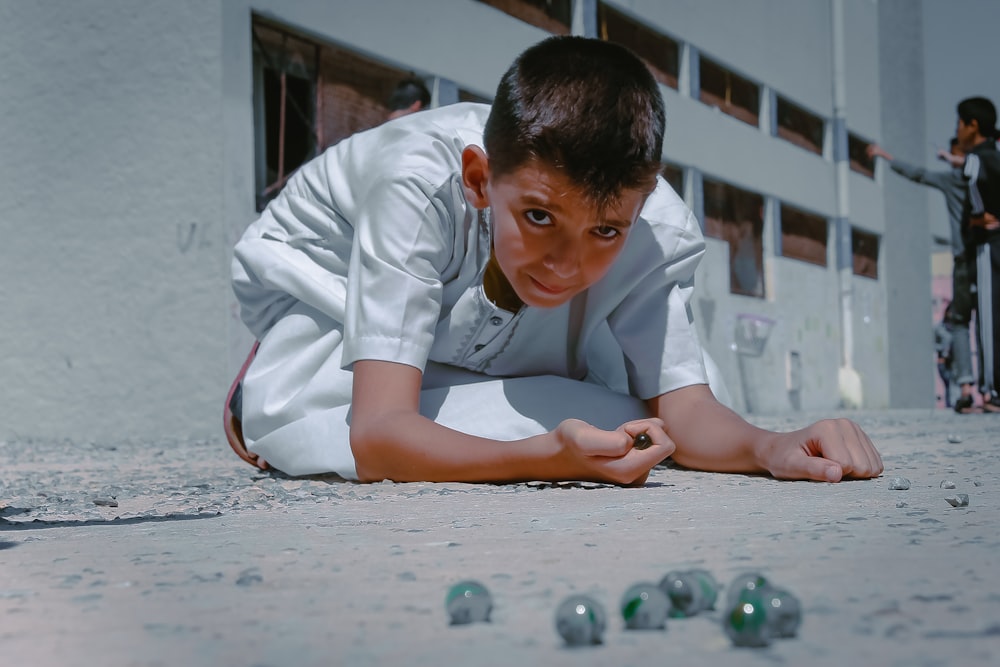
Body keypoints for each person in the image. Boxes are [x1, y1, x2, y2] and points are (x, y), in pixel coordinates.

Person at [225, 36, 883, 485]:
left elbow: (683, 405)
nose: (567, 264)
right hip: (331, 327)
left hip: (482, 341)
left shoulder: (654, 225)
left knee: (643, 414)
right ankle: (270, 387)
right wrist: (548, 456)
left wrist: (772, 446)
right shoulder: (419, 183)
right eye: (539, 217)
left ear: (642, 202)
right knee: (592, 421)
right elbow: (377, 432)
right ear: (481, 180)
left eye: (604, 229)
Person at [866, 139, 978, 412]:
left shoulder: (960, 178)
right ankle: (976, 388)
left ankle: (969, 387)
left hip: (969, 255)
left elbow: (918, 174)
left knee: (963, 322)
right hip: (976, 255)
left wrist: (885, 154)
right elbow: (918, 174)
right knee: (971, 322)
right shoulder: (972, 176)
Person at [940, 97, 1000, 412]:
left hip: (987, 245)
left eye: (959, 123)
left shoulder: (977, 158)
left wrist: (977, 216)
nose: (957, 129)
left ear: (971, 125)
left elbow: (975, 189)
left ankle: (991, 390)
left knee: (987, 319)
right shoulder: (996, 155)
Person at [934, 302, 956, 407]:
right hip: (942, 360)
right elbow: (933, 343)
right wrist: (942, 349)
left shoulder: (957, 328)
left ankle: (953, 403)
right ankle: (949, 404)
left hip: (953, 360)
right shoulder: (939, 328)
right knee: (947, 383)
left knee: (953, 382)